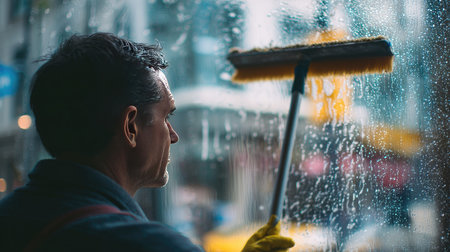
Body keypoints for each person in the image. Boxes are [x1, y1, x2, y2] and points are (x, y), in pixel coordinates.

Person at [0, 33, 294, 251]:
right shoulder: (151, 245)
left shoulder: (10, 216)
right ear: (130, 127)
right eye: (166, 116)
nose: (174, 135)